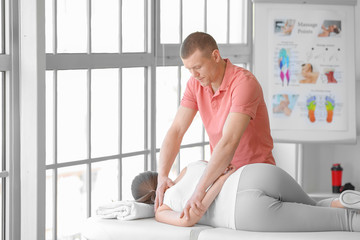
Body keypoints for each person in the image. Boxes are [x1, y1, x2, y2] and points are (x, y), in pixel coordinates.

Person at [155, 32, 275, 221]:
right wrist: (162, 176)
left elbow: (228, 142)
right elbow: (177, 130)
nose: (194, 75)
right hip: (223, 176)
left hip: (255, 175)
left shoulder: (243, 83)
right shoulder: (195, 84)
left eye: (197, 67)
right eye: (188, 69)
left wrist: (199, 191)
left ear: (216, 56)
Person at [133, 161, 360, 232]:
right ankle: (346, 200)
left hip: (244, 211)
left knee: (345, 223)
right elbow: (219, 168)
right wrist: (222, 179)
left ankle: (348, 211)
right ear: (160, 177)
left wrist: (220, 183)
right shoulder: (188, 168)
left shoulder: (161, 210)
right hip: (256, 173)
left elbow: (188, 219)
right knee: (313, 205)